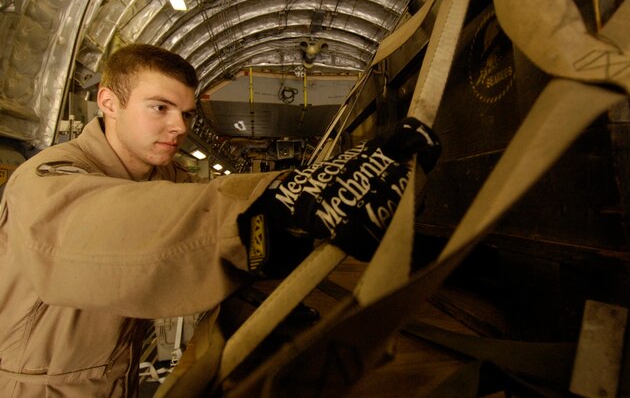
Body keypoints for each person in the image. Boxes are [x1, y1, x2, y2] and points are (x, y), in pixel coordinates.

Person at [0, 44, 440, 398]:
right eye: (160, 108)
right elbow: (107, 224)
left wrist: (306, 183)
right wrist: (273, 208)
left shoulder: (162, 174)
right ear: (109, 102)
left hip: (115, 381)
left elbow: (209, 196)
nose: (179, 126)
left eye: (187, 114)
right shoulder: (48, 176)